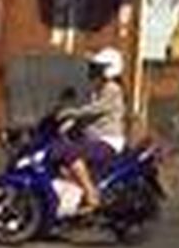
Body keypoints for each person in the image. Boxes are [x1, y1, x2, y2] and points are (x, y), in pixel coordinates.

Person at [52, 47, 127, 213]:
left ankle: (91, 194)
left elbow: (96, 109)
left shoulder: (112, 88)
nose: (93, 71)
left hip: (108, 141)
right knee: (60, 155)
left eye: (97, 68)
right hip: (95, 139)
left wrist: (72, 112)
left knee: (71, 153)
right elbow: (90, 117)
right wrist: (69, 125)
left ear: (109, 69)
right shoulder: (99, 89)